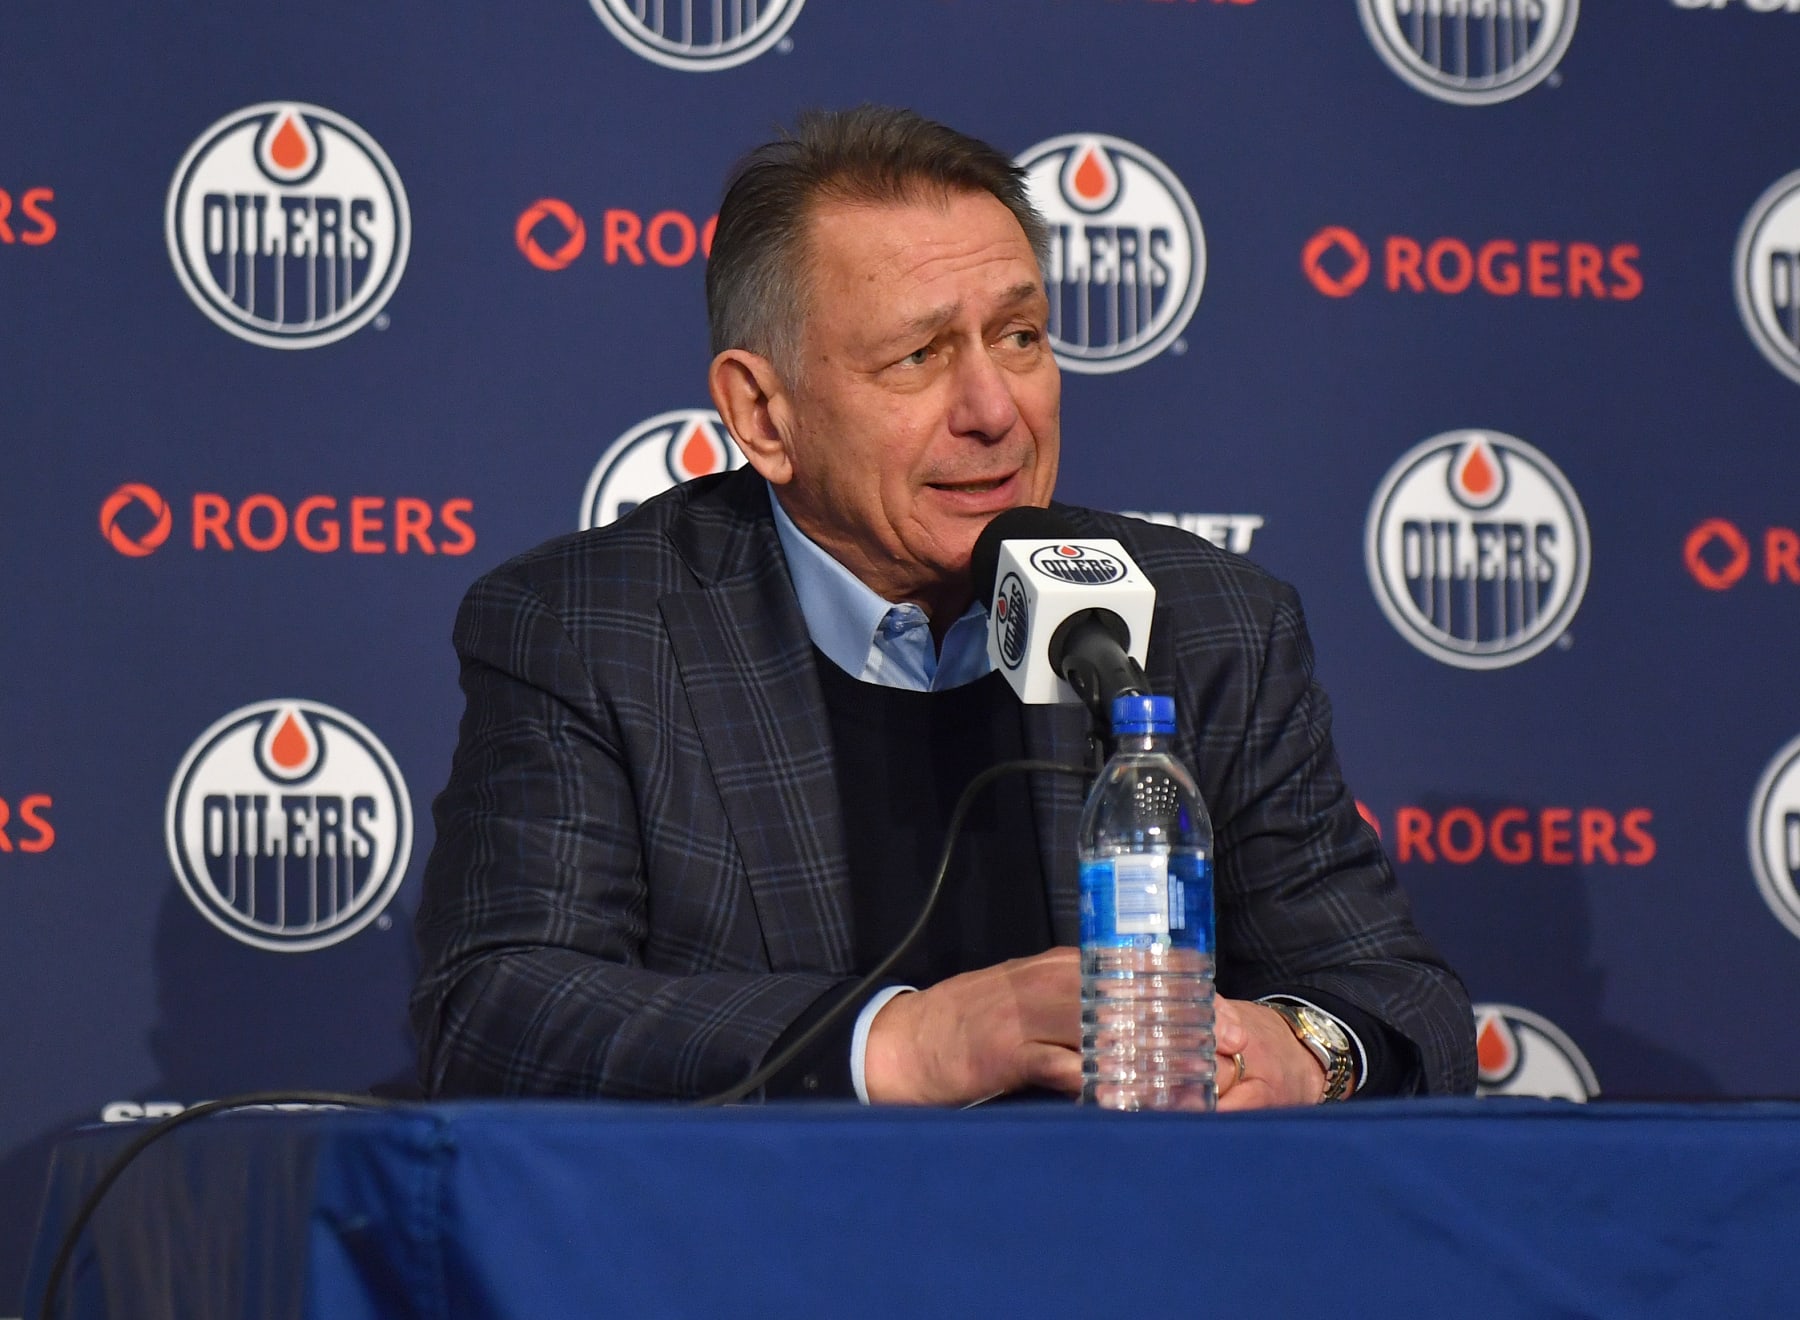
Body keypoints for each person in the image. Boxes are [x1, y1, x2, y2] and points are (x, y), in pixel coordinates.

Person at [410, 106, 1475, 1107]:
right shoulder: (594, 630)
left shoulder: (1206, 620)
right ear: (762, 412)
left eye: (1019, 337)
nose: (994, 410)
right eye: (919, 356)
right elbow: (499, 1011)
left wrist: (1301, 1050)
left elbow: (1396, 993)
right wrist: (909, 1042)